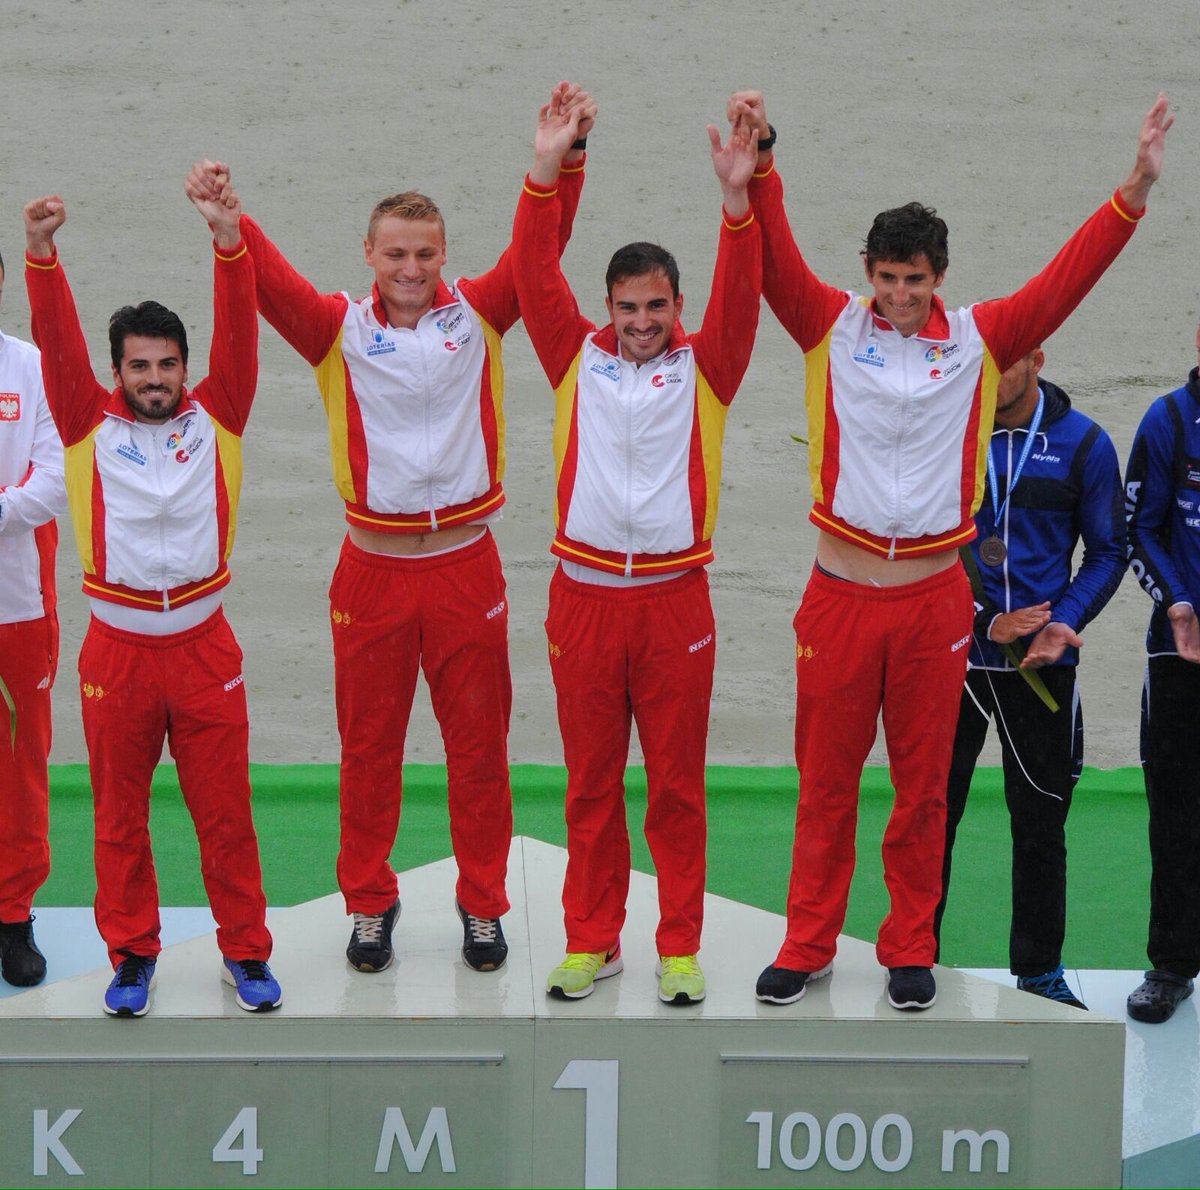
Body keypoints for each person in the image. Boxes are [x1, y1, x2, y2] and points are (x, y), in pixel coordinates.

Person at [733, 89, 1171, 1012]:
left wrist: (1131, 192)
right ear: (868, 272)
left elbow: (1066, 281)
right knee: (826, 785)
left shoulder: (979, 340)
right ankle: (809, 939)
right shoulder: (831, 327)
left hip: (935, 601)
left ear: (940, 278)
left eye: (916, 280)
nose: (899, 296)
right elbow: (773, 272)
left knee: (924, 791)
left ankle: (908, 948)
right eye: (887, 277)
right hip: (840, 595)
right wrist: (761, 170)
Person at [185, 82, 597, 977]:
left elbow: (543, 251)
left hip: (464, 568)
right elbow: (271, 289)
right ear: (368, 254)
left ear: (445, 254)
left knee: (478, 751)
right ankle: (370, 901)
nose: (411, 268)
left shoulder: (480, 314)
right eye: (396, 253)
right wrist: (230, 222)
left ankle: (482, 904)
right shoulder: (337, 329)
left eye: (426, 253)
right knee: (367, 750)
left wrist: (562, 159)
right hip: (369, 572)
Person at [512, 95, 761, 1004]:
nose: (642, 320)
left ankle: (680, 945)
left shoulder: (711, 367)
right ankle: (592, 939)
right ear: (607, 305)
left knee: (677, 787)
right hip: (581, 597)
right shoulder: (572, 357)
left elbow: (745, 290)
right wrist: (548, 170)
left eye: (657, 305)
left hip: (673, 600)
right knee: (589, 785)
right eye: (627, 306)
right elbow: (534, 270)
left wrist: (739, 204)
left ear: (678, 305)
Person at [23, 180, 281, 1018]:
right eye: (140, 366)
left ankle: (244, 953)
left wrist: (228, 238)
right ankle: (132, 955)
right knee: (118, 819)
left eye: (169, 364)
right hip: (119, 653)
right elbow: (54, 340)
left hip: (206, 649)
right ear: (117, 370)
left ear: (185, 366)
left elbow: (241, 334)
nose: (157, 379)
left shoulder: (222, 411)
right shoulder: (80, 422)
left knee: (226, 818)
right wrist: (41, 257)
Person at [933, 348, 1125, 1010]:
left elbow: (1106, 552)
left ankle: (1039, 972)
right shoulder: (946, 427)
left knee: (1040, 822)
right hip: (954, 659)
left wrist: (1062, 622)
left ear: (1037, 360)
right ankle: (913, 960)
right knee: (931, 818)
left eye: (1006, 364)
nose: (990, 380)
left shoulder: (1084, 444)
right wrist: (988, 621)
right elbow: (925, 538)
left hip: (1041, 666)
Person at [1124, 322, 1200, 1024]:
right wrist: (1178, 602)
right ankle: (1173, 965)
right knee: (1176, 816)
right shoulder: (1168, 420)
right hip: (1181, 654)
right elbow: (1139, 528)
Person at [0, 249, 66, 987]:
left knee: (19, 772)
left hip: (16, 607)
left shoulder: (31, 367)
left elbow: (54, 479)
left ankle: (13, 916)